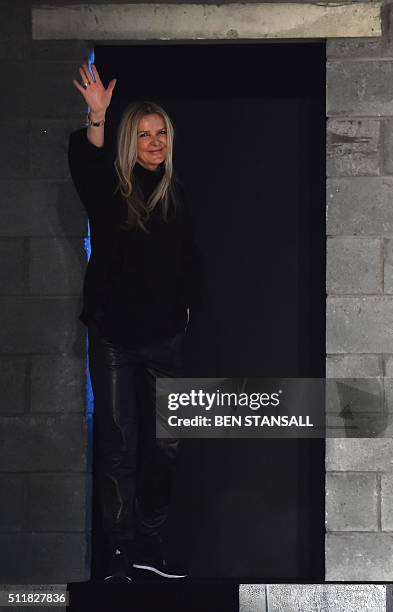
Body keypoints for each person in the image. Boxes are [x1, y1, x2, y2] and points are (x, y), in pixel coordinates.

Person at [68, 62, 200, 582]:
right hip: (116, 339)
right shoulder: (111, 190)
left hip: (165, 340)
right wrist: (96, 116)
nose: (154, 141)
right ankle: (120, 554)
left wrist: (186, 312)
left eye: (161, 132)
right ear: (130, 141)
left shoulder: (177, 194)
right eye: (144, 134)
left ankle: (150, 542)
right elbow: (86, 164)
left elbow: (193, 260)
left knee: (166, 445)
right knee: (119, 444)